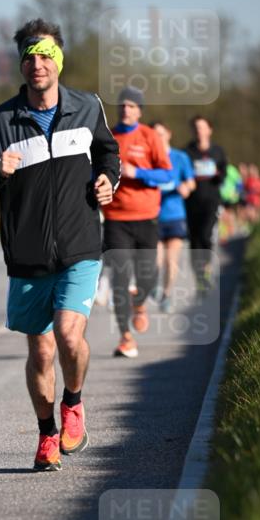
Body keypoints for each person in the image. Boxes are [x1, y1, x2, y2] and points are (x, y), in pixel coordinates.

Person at [0, 18, 120, 472]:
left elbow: (108, 152)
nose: (38, 64)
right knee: (41, 351)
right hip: (28, 255)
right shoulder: (0, 122)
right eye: (29, 57)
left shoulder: (88, 108)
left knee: (70, 335)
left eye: (46, 55)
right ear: (20, 65)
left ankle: (74, 402)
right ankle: (47, 432)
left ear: (59, 60)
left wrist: (109, 178)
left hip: (80, 244)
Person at [102, 87, 173, 358]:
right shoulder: (107, 136)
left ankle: (140, 302)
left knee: (148, 276)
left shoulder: (150, 136)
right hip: (115, 218)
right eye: (122, 105)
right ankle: (125, 337)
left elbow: (167, 175)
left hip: (146, 218)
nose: (126, 110)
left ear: (140, 110)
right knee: (119, 278)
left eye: (132, 106)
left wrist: (139, 173)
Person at [149, 122, 196, 312]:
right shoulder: (149, 157)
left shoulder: (180, 157)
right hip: (153, 215)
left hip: (175, 215)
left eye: (161, 134)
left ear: (168, 134)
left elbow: (191, 182)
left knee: (171, 260)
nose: (158, 138)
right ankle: (153, 285)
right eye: (154, 135)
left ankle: (167, 295)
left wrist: (187, 188)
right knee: (155, 260)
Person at [185, 116, 227, 294]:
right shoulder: (187, 152)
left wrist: (217, 173)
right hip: (191, 203)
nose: (199, 131)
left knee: (205, 236)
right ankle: (200, 279)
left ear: (209, 130)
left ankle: (206, 270)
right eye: (196, 128)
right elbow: (181, 173)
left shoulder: (218, 151)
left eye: (202, 127)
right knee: (194, 242)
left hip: (211, 201)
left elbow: (224, 173)